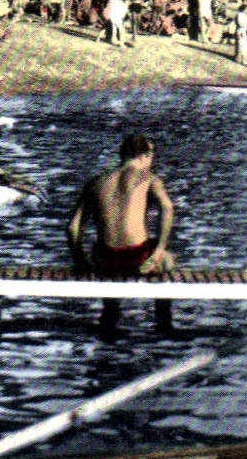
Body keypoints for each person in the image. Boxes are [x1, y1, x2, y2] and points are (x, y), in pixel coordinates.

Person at [67, 133, 176, 335]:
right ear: (144, 155)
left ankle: (110, 314)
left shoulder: (97, 182)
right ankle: (163, 323)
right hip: (138, 259)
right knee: (168, 262)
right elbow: (167, 208)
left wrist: (80, 261)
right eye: (151, 156)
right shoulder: (149, 178)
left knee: (104, 255)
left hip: (105, 259)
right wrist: (159, 250)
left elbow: (72, 228)